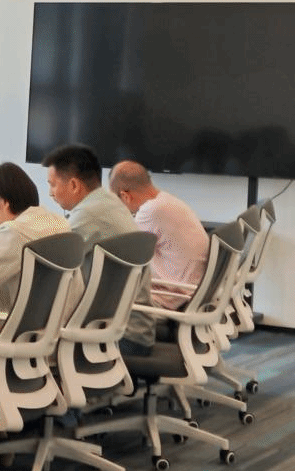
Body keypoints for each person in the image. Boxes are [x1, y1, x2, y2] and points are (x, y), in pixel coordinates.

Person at [43, 144, 156, 355]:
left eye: (53, 185)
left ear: (74, 185)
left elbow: (48, 260)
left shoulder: (90, 213)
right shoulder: (108, 202)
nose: (50, 193)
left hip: (119, 337)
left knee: (26, 334)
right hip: (130, 328)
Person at [0, 161, 80, 316]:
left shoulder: (13, 232)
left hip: (20, 327)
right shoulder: (58, 222)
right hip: (61, 323)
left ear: (3, 202)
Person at [109, 160, 209, 310]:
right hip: (191, 288)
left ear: (125, 196)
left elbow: (125, 255)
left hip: (173, 296)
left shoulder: (150, 211)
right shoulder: (166, 200)